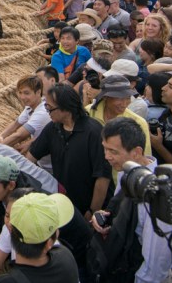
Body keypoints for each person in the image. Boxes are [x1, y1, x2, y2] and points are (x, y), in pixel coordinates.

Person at [94, 118, 172, 283]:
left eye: (113, 151)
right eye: (104, 149)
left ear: (137, 152)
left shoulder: (156, 194)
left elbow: (156, 261)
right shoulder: (128, 174)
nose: (107, 157)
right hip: (125, 275)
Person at [28, 83, 111, 218]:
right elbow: (31, 157)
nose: (47, 112)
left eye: (50, 108)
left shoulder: (93, 132)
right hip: (65, 205)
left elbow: (102, 177)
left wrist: (92, 211)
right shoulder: (52, 129)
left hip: (89, 208)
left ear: (66, 108)